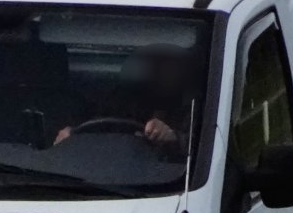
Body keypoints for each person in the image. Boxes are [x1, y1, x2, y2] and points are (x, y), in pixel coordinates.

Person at [55, 44, 200, 156]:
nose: (160, 73)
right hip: (112, 173)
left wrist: (173, 138)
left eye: (169, 67)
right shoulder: (123, 100)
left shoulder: (199, 108)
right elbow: (96, 125)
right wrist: (71, 136)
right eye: (156, 65)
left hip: (171, 182)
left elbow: (205, 149)